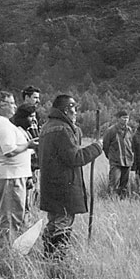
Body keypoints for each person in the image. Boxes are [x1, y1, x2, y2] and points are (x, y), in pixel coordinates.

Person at [39, 95, 102, 258]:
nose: (76, 112)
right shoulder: (63, 129)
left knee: (53, 223)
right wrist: (96, 148)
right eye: (74, 109)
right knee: (62, 224)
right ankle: (58, 261)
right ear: (67, 110)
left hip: (51, 185)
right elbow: (75, 158)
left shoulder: (47, 127)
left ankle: (48, 259)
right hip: (63, 186)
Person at [0, 91, 37, 254]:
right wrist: (29, 145)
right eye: (11, 103)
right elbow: (9, 151)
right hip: (9, 177)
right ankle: (6, 258)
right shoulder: (3, 125)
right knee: (10, 220)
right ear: (2, 105)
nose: (15, 107)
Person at [11, 103, 40, 214]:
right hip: (24, 174)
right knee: (24, 207)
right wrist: (29, 177)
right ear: (23, 117)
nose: (34, 120)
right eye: (31, 116)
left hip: (28, 172)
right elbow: (22, 156)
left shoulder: (26, 132)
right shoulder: (18, 132)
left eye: (34, 116)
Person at [102, 110, 134, 197]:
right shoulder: (111, 130)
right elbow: (105, 146)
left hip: (127, 161)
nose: (125, 120)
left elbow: (132, 144)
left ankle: (122, 200)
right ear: (118, 119)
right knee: (114, 183)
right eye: (123, 118)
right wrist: (111, 157)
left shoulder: (130, 130)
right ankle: (111, 200)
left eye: (127, 118)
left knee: (124, 184)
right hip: (116, 161)